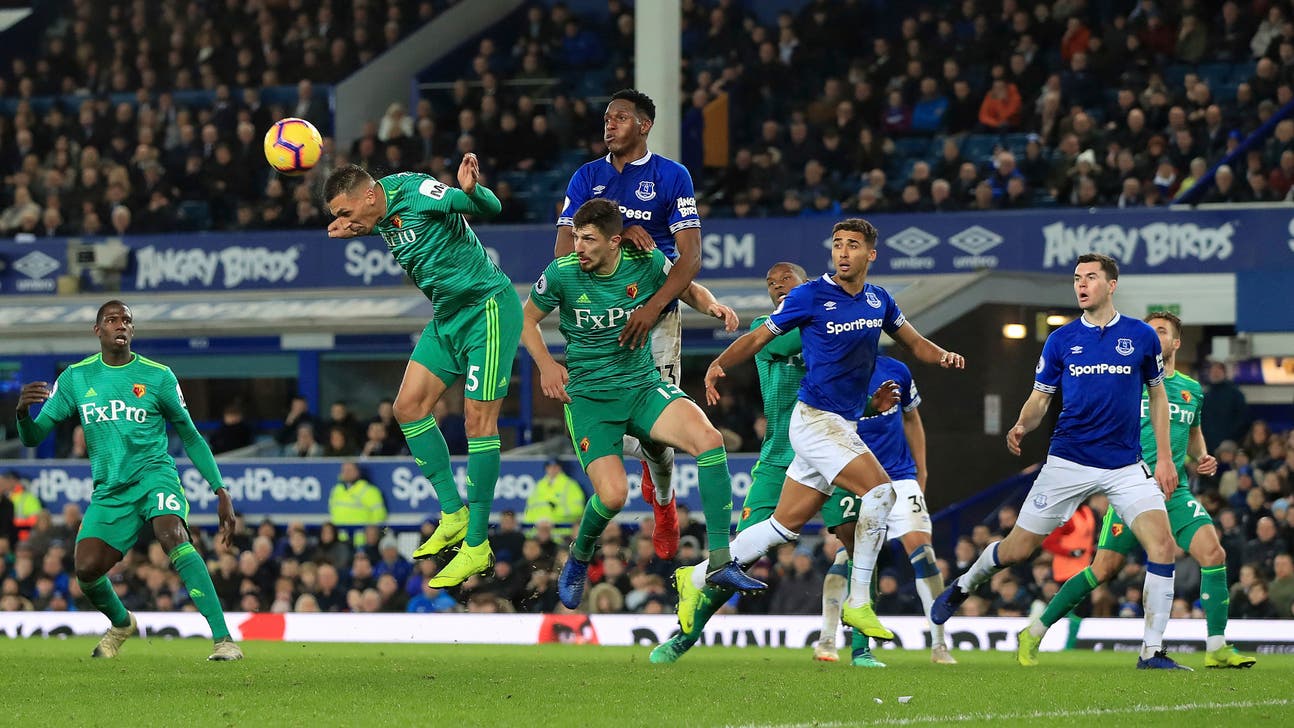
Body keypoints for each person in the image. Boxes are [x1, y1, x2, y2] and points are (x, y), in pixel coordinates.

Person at [652, 219, 965, 664]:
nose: (778, 286)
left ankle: (696, 578)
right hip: (802, 434)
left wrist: (934, 360)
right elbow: (767, 338)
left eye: (852, 245)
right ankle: (852, 606)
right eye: (836, 244)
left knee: (788, 530)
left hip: (836, 431)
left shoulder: (875, 302)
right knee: (881, 493)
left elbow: (903, 344)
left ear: (870, 255)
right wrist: (719, 362)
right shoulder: (804, 306)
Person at [932, 253, 1188, 670]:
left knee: (1162, 546)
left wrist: (1163, 458)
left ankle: (1152, 652)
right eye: (1076, 278)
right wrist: (1020, 425)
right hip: (1067, 460)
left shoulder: (1140, 336)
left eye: (1090, 277)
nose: (1081, 284)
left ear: (1111, 284)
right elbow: (1040, 398)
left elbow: (1157, 395)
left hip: (1125, 465)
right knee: (1016, 550)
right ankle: (963, 585)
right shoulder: (1062, 340)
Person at [522, 198, 763, 609]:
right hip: (589, 399)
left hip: (641, 385)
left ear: (614, 241)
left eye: (588, 239)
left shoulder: (644, 262)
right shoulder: (561, 274)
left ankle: (721, 558)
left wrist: (712, 306)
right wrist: (545, 364)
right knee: (614, 497)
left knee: (709, 440)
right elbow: (526, 320)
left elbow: (684, 286)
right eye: (577, 236)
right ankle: (579, 557)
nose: (577, 246)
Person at [324, 153, 522, 587]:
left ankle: (477, 545)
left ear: (370, 195)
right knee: (408, 407)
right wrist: (358, 226)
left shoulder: (418, 191)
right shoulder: (377, 212)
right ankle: (452, 513)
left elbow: (488, 210)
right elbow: (384, 222)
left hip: (487, 308)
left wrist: (472, 191)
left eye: (345, 211)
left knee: (478, 422)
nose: (342, 220)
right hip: (448, 315)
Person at [1018, 311, 1257, 669]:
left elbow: (1192, 435)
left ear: (1176, 342)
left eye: (1160, 331)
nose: (1151, 335)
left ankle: (1216, 646)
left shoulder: (1191, 390)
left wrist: (1203, 456)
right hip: (1133, 491)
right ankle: (1035, 630)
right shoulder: (1129, 381)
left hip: (1174, 492)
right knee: (1103, 570)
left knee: (1214, 553)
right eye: (1148, 330)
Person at [14, 300, 242, 661]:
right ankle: (121, 623)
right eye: (112, 319)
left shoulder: (158, 376)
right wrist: (23, 413)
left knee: (173, 536)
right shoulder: (76, 377)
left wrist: (220, 489)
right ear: (98, 330)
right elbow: (33, 437)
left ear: (132, 330)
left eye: (127, 320)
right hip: (110, 491)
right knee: (86, 570)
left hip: (155, 477)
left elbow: (192, 435)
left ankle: (223, 639)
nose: (121, 325)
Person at [554, 89, 704, 561]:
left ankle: (663, 503)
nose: (610, 124)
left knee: (658, 434)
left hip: (652, 315)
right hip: (600, 318)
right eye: (606, 118)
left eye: (620, 117)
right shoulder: (587, 177)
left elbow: (690, 256)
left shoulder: (670, 176)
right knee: (622, 432)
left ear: (644, 125)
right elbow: (562, 252)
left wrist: (652, 306)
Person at [816, 355, 957, 667]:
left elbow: (912, 418)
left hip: (900, 476)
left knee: (924, 554)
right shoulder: (831, 369)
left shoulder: (897, 370)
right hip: (856, 478)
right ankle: (827, 638)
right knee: (849, 557)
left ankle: (940, 644)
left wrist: (922, 470)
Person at [522, 459, 587, 538]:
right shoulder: (539, 485)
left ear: (560, 468)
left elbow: (578, 510)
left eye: (555, 467)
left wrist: (554, 514)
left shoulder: (570, 485)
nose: (552, 469)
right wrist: (536, 524)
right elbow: (529, 510)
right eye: (549, 467)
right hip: (538, 535)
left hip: (562, 534)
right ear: (546, 469)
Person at [328, 462, 387, 545]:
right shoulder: (336, 490)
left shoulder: (370, 491)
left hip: (362, 540)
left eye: (350, 470)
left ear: (357, 472)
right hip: (340, 539)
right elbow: (332, 511)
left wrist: (371, 534)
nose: (346, 473)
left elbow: (380, 515)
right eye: (344, 470)